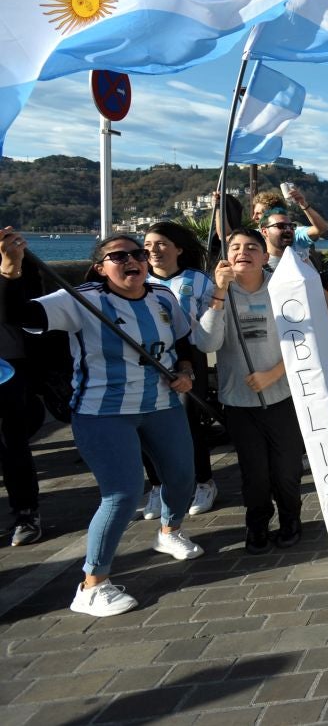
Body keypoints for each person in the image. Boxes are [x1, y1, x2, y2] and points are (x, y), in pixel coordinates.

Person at [0, 231, 204, 617]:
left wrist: (186, 370)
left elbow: (184, 341)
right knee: (123, 495)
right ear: (99, 267)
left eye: (138, 254)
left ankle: (170, 531)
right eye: (119, 256)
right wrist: (10, 269)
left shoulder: (163, 297)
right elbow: (19, 316)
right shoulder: (79, 301)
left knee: (182, 477)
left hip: (162, 404)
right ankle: (92, 585)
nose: (132, 261)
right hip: (103, 413)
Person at [198, 229, 304, 553]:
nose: (243, 252)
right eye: (235, 247)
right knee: (254, 474)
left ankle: (291, 519)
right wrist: (218, 293)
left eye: (251, 247)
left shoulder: (283, 288)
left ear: (263, 254)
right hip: (239, 403)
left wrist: (273, 374)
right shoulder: (217, 293)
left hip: (282, 396)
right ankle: (257, 524)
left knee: (287, 470)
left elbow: (304, 339)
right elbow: (207, 343)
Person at [144, 221, 218, 517]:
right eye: (148, 245)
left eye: (161, 243)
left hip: (189, 356)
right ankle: (157, 486)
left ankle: (203, 482)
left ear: (178, 248)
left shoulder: (197, 280)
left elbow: (211, 319)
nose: (153, 250)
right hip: (148, 358)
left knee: (189, 422)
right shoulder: (139, 279)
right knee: (146, 426)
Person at [0, 247, 45, 546]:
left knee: (11, 441)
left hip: (7, 366)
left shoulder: (15, 257)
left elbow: (23, 309)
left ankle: (26, 512)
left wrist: (9, 271)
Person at [251, 186, 328, 254]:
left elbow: (322, 228)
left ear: (274, 214)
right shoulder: (253, 235)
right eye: (254, 213)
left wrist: (303, 204)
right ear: (264, 232)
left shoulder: (293, 234)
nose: (254, 217)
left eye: (258, 213)